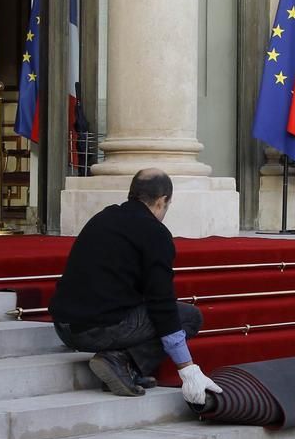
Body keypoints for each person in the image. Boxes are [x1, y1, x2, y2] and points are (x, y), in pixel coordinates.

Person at [49, 169, 222, 405]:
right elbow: (162, 304)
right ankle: (119, 360)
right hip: (97, 329)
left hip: (64, 325)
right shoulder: (155, 233)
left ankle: (123, 364)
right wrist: (187, 368)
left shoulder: (104, 217)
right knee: (189, 317)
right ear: (162, 201)